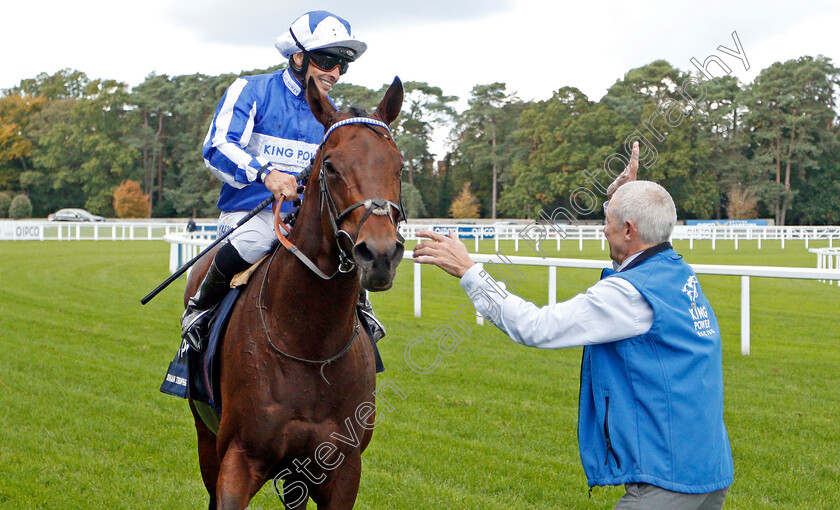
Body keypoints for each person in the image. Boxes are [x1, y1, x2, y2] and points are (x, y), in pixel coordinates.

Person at [413, 180, 733, 509]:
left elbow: (533, 327)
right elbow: (641, 239)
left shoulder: (628, 295)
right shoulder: (678, 272)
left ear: (628, 230)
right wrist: (623, 196)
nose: (602, 231)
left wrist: (469, 272)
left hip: (667, 480)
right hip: (710, 470)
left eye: (608, 222)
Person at [182, 10, 385, 351]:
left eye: (342, 65)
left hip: (305, 220)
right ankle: (200, 308)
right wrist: (267, 174)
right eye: (327, 60)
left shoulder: (330, 114)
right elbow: (217, 148)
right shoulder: (251, 89)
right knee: (252, 242)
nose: (334, 72)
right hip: (251, 214)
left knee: (348, 253)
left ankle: (361, 315)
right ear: (298, 55)